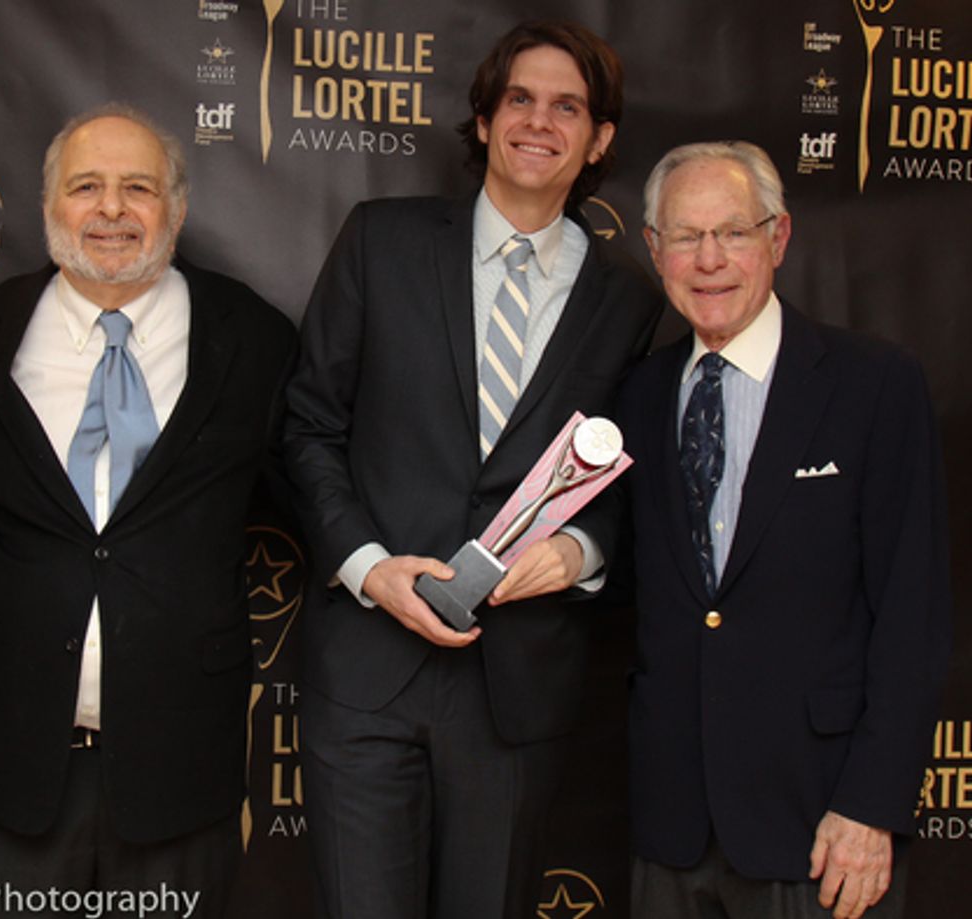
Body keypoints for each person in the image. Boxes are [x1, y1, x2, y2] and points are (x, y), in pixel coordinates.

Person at [282, 20, 664, 919]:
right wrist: (369, 568)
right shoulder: (382, 240)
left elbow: (623, 477)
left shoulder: (629, 303)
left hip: (517, 691)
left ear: (599, 138)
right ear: (485, 120)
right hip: (368, 669)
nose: (540, 121)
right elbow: (303, 427)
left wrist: (579, 551)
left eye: (567, 106)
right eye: (520, 99)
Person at [0, 103, 297, 917]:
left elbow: (309, 485)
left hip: (181, 759)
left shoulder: (253, 336)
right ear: (48, 207)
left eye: (138, 187)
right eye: (86, 186)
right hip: (17, 757)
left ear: (176, 208)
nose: (110, 210)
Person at [619, 140, 950, 919]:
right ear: (654, 250)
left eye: (733, 232)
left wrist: (872, 806)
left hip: (823, 828)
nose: (710, 260)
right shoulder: (635, 395)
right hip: (671, 826)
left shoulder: (875, 385)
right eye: (686, 237)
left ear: (778, 238)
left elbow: (915, 612)